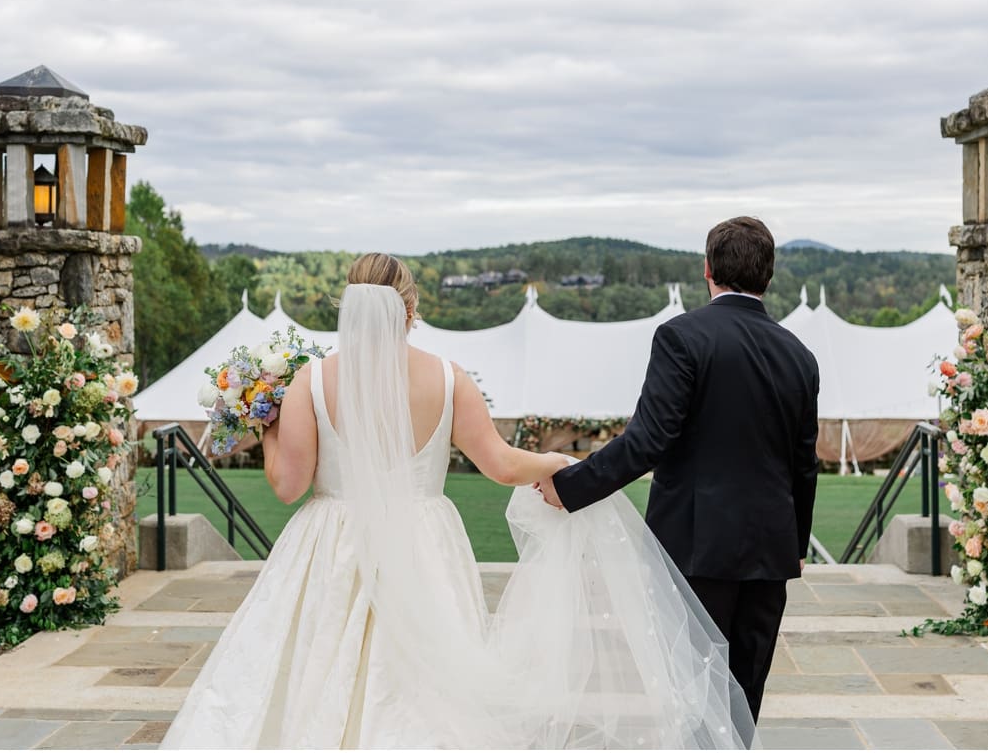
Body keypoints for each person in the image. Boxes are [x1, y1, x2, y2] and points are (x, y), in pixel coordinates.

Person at [161, 253, 754, 749]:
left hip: (330, 543)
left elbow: (288, 486)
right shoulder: (449, 379)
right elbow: (500, 464)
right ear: (410, 310)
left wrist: (267, 430)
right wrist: (564, 467)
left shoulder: (310, 382)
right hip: (423, 541)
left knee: (308, 663)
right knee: (426, 679)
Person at [540, 216, 820, 724]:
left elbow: (647, 441)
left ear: (708, 269)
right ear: (769, 275)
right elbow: (805, 464)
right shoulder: (799, 355)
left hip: (696, 547)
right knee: (744, 694)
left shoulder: (681, 338)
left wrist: (571, 486)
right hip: (769, 551)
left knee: (693, 691)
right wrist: (795, 545)